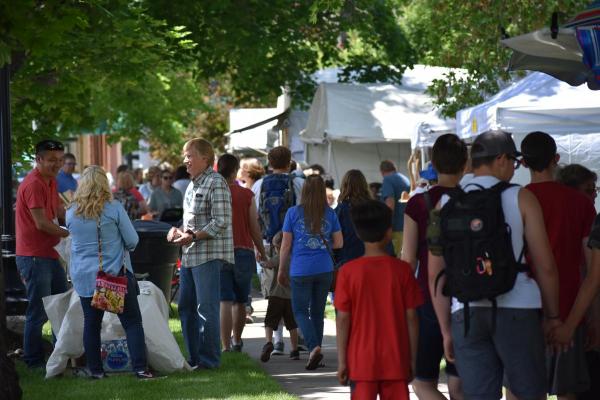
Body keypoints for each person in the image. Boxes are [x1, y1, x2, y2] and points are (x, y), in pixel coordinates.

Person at [427, 130, 563, 400]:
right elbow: (546, 265)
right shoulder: (522, 197)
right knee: (528, 392)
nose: (514, 169)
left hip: (466, 312)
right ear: (501, 158)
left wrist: (445, 329)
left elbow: (436, 273)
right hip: (519, 308)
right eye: (513, 162)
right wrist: (553, 317)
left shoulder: (443, 204)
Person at [521, 131, 596, 399]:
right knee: (567, 391)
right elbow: (593, 270)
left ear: (523, 162)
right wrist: (591, 318)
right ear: (556, 159)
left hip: (523, 309)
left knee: (521, 390)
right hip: (570, 308)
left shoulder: (514, 200)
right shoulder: (581, 204)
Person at [66, 166, 155, 379]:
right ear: (104, 184)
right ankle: (140, 369)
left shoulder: (71, 211)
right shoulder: (114, 208)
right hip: (114, 276)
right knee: (132, 322)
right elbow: (133, 240)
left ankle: (96, 371)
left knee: (92, 324)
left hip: (86, 278)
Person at [401, 134, 467, 400]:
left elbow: (409, 258)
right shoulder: (476, 200)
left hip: (428, 298)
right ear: (465, 163)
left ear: (434, 164)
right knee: (459, 382)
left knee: (422, 381)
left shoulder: (419, 203)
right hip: (470, 296)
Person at [335, 200, 422, 400]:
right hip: (396, 358)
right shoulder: (402, 271)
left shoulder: (348, 272)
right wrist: (412, 359)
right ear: (389, 232)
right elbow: (412, 318)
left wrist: (342, 361)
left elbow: (342, 319)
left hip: (361, 361)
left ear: (357, 233)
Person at [166, 138, 233, 369]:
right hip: (189, 256)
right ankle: (194, 358)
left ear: (205, 158)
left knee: (206, 309)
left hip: (208, 256)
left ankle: (209, 361)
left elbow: (222, 221)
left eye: (189, 155)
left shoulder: (216, 182)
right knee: (185, 307)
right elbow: (191, 223)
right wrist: (178, 230)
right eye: (185, 155)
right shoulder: (193, 184)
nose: (185, 160)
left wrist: (193, 236)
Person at [277, 175, 343, 370]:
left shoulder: (292, 213)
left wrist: (281, 268)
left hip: (300, 269)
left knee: (299, 310)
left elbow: (285, 245)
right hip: (324, 269)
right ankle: (317, 351)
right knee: (317, 312)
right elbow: (339, 242)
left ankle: (313, 347)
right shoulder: (330, 214)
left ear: (304, 191)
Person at [15, 139, 70, 368]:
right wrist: (69, 234)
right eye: (51, 160)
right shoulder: (34, 183)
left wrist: (74, 217)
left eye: (59, 160)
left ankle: (61, 356)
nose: (56, 165)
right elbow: (41, 223)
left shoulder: (51, 181)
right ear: (38, 160)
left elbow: (58, 210)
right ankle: (33, 361)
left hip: (50, 253)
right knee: (39, 313)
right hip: (34, 256)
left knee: (61, 307)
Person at [253, 146, 304, 355]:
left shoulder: (259, 185)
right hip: (295, 245)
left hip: (268, 243)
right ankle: (296, 335)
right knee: (293, 292)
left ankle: (277, 339)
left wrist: (257, 247)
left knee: (273, 291)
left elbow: (255, 217)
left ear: (269, 163)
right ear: (290, 161)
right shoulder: (299, 183)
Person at [216, 154, 266, 352]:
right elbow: (254, 227)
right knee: (240, 301)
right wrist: (261, 251)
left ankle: (225, 345)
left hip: (220, 251)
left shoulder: (215, 193)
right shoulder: (246, 195)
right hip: (244, 251)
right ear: (235, 170)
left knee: (224, 301)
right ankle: (237, 340)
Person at [260, 231, 300, 362]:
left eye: (276, 247)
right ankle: (294, 350)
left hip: (276, 295)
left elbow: (269, 264)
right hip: (292, 297)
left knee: (270, 322)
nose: (276, 250)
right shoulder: (295, 257)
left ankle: (268, 342)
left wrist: (263, 262)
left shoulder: (280, 257)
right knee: (292, 325)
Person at [334, 170, 372, 266]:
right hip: (370, 258)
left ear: (345, 186)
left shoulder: (341, 209)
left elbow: (334, 238)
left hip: (347, 259)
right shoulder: (374, 208)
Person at [379, 160, 410, 253]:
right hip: (407, 226)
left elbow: (390, 203)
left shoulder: (388, 180)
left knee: (397, 260)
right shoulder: (405, 179)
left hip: (396, 229)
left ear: (382, 171)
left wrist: (386, 226)